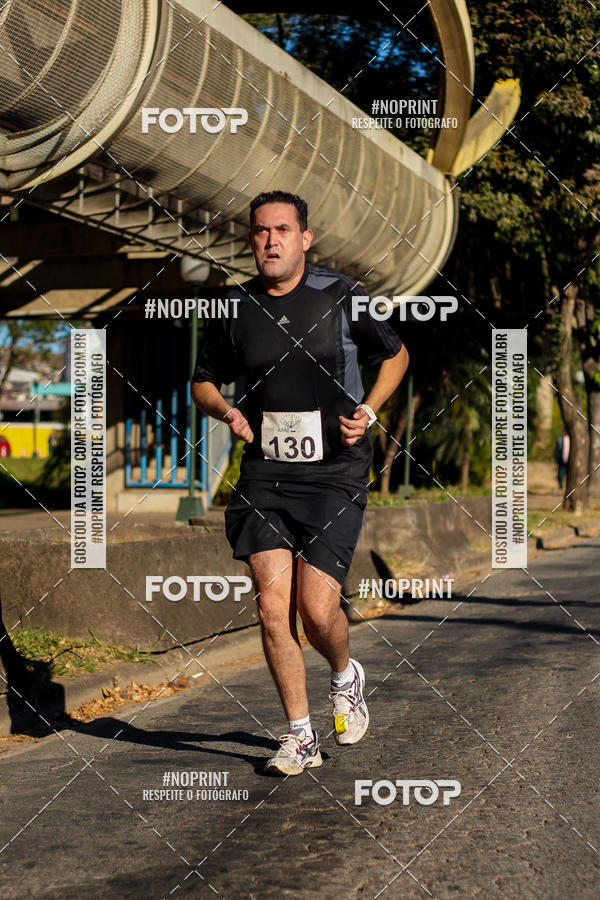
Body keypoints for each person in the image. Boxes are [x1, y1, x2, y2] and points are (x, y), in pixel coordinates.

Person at [191, 190, 409, 775]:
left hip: (335, 471)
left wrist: (368, 409)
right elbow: (203, 381)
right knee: (270, 609)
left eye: (282, 230)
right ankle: (299, 736)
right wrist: (227, 412)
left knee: (317, 611)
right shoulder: (236, 308)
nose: (270, 241)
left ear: (304, 239)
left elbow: (396, 355)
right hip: (265, 473)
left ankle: (345, 674)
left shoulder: (342, 296)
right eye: (260, 232)